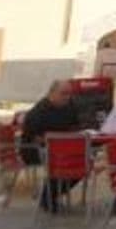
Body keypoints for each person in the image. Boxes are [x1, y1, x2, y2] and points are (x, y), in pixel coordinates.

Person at [20, 80, 80, 212]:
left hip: (61, 149)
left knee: (83, 161)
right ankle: (47, 197)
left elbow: (75, 127)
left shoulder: (69, 107)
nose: (67, 97)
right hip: (34, 151)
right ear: (52, 93)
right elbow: (35, 137)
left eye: (69, 94)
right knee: (62, 160)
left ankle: (50, 195)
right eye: (63, 93)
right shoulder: (39, 111)